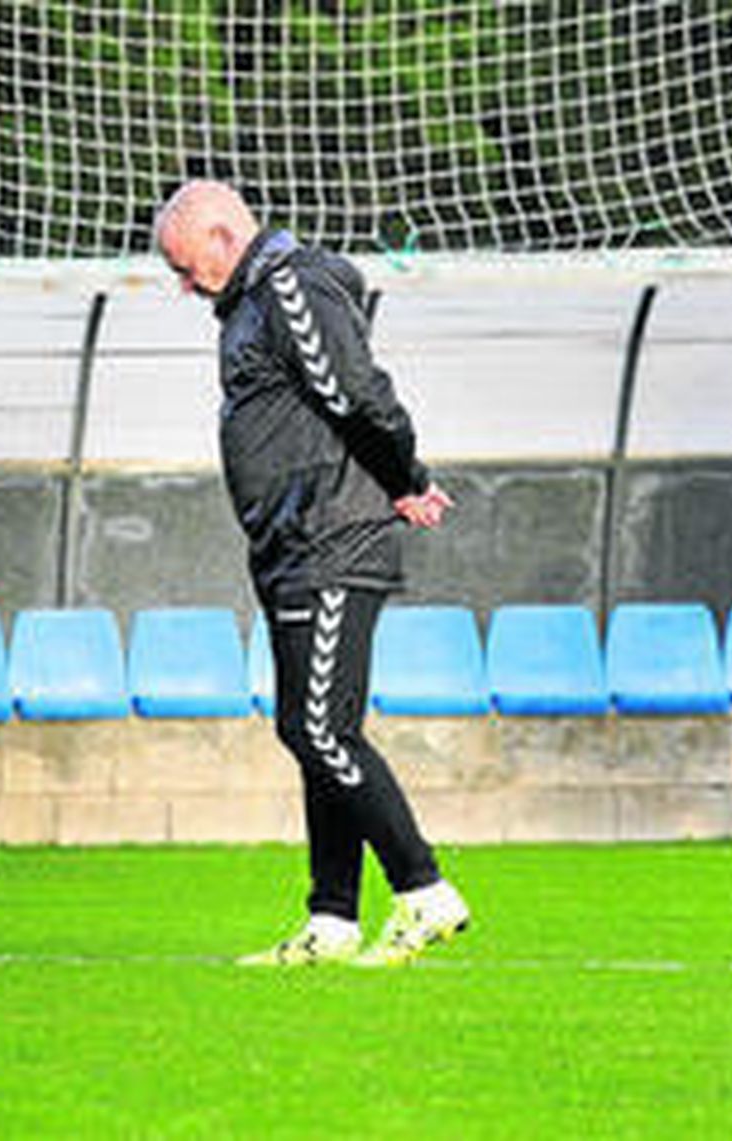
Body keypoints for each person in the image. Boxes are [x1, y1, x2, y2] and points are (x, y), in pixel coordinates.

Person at [153, 179, 470, 967]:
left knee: (317, 728)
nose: (185, 287)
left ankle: (424, 891)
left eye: (188, 268)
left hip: (332, 538)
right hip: (291, 546)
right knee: (319, 734)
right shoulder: (247, 306)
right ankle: (332, 919)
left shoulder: (291, 283)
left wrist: (406, 476)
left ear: (225, 237)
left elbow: (354, 391)